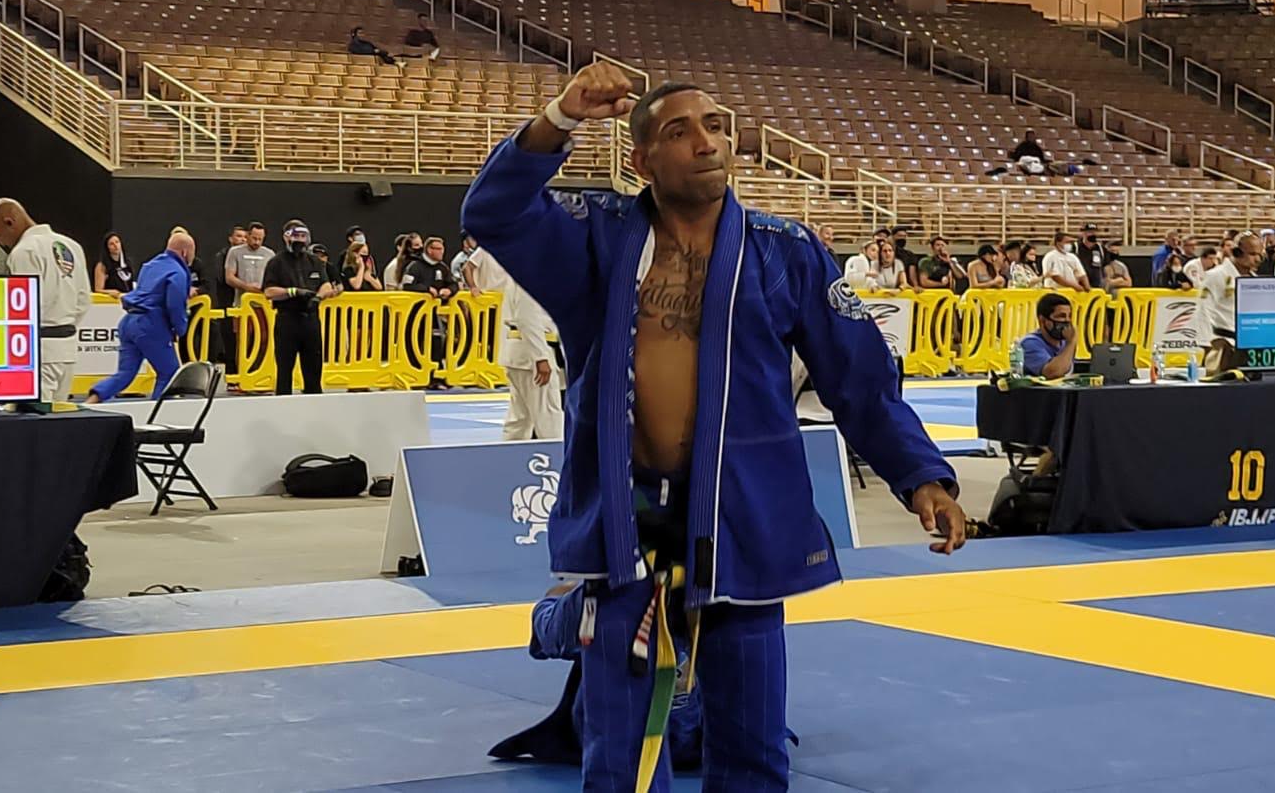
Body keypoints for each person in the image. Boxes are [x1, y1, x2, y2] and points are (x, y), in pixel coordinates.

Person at [461, 65, 963, 792]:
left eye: (717, 126)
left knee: (754, 747)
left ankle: (566, 625)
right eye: (680, 132)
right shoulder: (597, 239)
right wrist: (561, 116)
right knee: (622, 757)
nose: (707, 143)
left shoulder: (785, 250)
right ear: (642, 161)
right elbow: (493, 211)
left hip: (744, 521)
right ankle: (565, 622)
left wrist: (922, 476)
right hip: (627, 526)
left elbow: (859, 378)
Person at [489, 581, 703, 771]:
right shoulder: (710, 587)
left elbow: (551, 637)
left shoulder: (603, 594)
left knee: (589, 628)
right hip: (698, 746)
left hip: (613, 745)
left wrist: (554, 598)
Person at [0, 198, 91, 402]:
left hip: (38, 351)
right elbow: (84, 299)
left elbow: (24, 307)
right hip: (67, 349)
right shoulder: (72, 245)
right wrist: (63, 324)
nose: (2, 243)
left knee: (35, 417)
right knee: (60, 414)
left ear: (9, 222)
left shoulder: (24, 251)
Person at [84, 233, 195, 404]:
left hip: (129, 322)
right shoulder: (177, 272)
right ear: (185, 252)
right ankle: (158, 413)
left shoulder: (151, 265)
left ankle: (91, 401)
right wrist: (180, 328)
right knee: (169, 373)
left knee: (125, 374)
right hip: (151, 325)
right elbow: (175, 305)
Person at [262, 220, 337, 395]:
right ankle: (283, 402)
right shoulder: (276, 262)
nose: (300, 240)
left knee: (314, 369)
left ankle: (313, 401)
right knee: (285, 370)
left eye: (303, 236)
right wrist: (293, 292)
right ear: (287, 237)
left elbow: (326, 284)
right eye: (297, 236)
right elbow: (269, 291)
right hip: (288, 319)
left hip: (310, 319)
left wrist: (318, 297)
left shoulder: (314, 261)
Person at [500, 277, 563, 440]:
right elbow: (526, 317)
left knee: (519, 420)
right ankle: (555, 454)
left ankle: (509, 455)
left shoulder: (522, 275)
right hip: (534, 353)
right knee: (549, 417)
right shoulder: (531, 277)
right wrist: (540, 357)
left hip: (523, 351)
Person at [1196, 231, 1265, 359]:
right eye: (1252, 254)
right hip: (1224, 343)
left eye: (1260, 255)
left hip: (1250, 344)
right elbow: (1202, 310)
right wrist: (1206, 345)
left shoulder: (1254, 279)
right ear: (1237, 253)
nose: (1257, 259)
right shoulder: (1216, 275)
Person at [403, 235, 459, 390]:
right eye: (438, 249)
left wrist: (449, 290)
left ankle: (436, 376)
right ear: (429, 250)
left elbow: (454, 284)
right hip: (415, 314)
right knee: (414, 343)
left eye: (442, 248)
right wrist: (426, 289)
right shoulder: (415, 266)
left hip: (433, 314)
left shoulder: (442, 268)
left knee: (436, 342)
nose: (442, 252)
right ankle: (416, 375)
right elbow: (407, 285)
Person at [211, 225, 247, 368]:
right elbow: (222, 278)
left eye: (245, 237)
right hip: (228, 302)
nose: (243, 239)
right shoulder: (222, 256)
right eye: (239, 236)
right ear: (230, 238)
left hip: (245, 303)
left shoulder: (247, 257)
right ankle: (231, 368)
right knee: (229, 336)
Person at [1020, 293, 1075, 379]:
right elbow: (1053, 373)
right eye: (1061, 316)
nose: (1067, 321)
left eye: (1069, 316)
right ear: (1042, 320)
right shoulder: (1029, 343)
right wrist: (1071, 343)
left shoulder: (1065, 342)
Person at [225, 221, 275, 307]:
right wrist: (247, 287)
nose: (257, 242)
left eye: (260, 239)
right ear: (248, 235)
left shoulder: (270, 254)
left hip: (265, 304)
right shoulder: (235, 252)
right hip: (242, 304)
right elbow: (229, 278)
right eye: (254, 238)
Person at [93, 231, 135, 297]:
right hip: (112, 301)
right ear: (107, 248)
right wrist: (110, 292)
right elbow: (98, 289)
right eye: (111, 244)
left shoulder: (127, 263)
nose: (115, 245)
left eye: (117, 242)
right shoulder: (102, 266)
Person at [1075, 224, 1108, 290]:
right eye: (1090, 232)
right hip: (1080, 285)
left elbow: (1106, 265)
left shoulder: (1101, 248)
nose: (1093, 234)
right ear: (1084, 233)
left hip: (1097, 286)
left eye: (1095, 232)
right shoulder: (1076, 247)